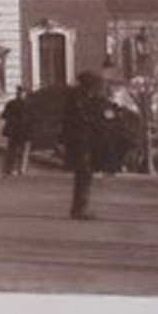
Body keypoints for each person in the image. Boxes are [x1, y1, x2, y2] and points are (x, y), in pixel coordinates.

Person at [63, 71, 106, 219]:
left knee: (84, 174)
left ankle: (80, 207)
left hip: (79, 140)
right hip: (81, 141)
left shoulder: (77, 97)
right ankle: (80, 209)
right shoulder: (79, 99)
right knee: (84, 173)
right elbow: (83, 119)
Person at [1, 85, 29, 176]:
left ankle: (9, 169)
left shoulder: (11, 103)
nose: (21, 94)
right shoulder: (27, 104)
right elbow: (32, 118)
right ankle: (21, 169)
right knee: (22, 150)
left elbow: (4, 115)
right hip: (23, 131)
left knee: (11, 150)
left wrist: (11, 120)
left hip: (13, 131)